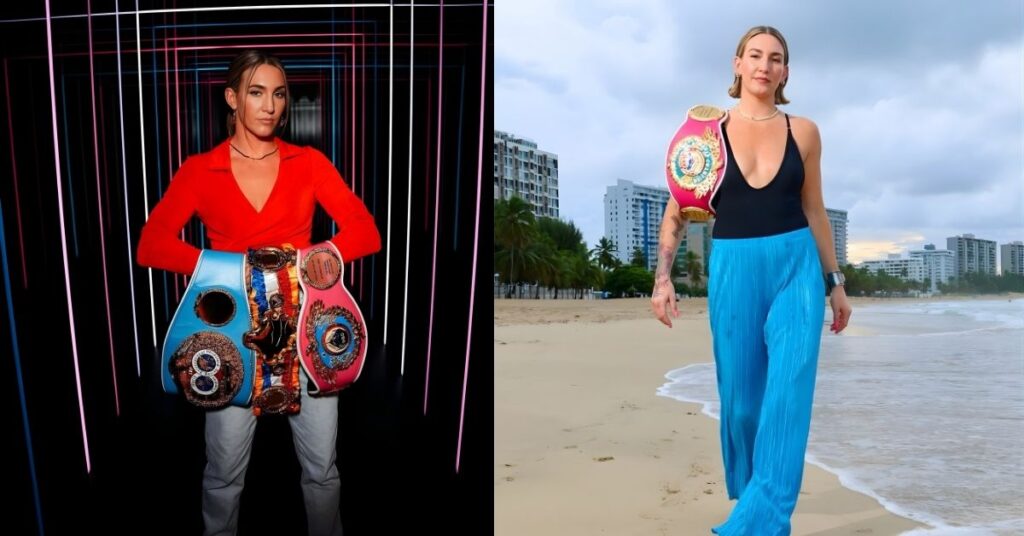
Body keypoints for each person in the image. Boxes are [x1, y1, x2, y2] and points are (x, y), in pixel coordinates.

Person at [137, 49, 381, 536]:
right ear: (232, 98)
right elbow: (151, 246)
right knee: (223, 477)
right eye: (256, 92)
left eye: (278, 94)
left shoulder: (309, 162)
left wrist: (313, 257)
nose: (269, 106)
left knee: (322, 472)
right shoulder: (200, 170)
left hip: (307, 335)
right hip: (230, 339)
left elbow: (366, 232)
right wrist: (233, 269)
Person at [651, 26, 852, 535]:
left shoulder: (804, 132)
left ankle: (759, 524)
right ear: (737, 64)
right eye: (756, 55)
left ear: (786, 72)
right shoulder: (705, 135)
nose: (765, 65)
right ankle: (753, 503)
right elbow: (676, 213)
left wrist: (835, 283)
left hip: (796, 270)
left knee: (787, 396)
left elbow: (815, 210)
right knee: (741, 404)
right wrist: (662, 279)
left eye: (776, 58)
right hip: (734, 269)